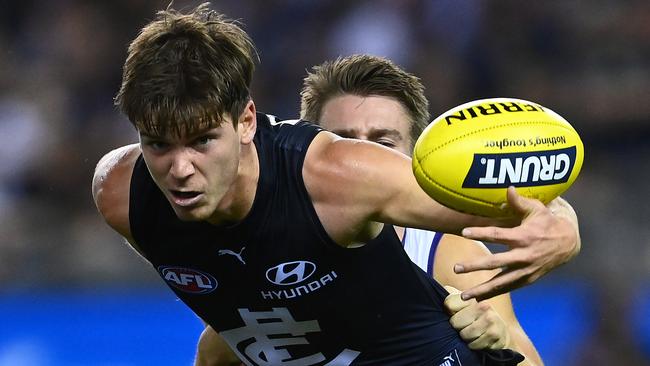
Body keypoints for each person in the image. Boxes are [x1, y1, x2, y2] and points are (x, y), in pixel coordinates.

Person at [93, 3, 580, 365]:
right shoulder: (120, 198)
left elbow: (530, 210)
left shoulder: (341, 178)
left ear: (246, 122)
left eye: (202, 141)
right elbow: (242, 320)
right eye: (158, 145)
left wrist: (562, 228)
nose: (180, 169)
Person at [195, 55, 544, 365]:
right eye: (340, 143)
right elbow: (217, 349)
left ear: (416, 159)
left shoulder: (451, 258)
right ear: (303, 154)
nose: (362, 162)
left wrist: (497, 341)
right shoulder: (274, 245)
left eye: (383, 144)